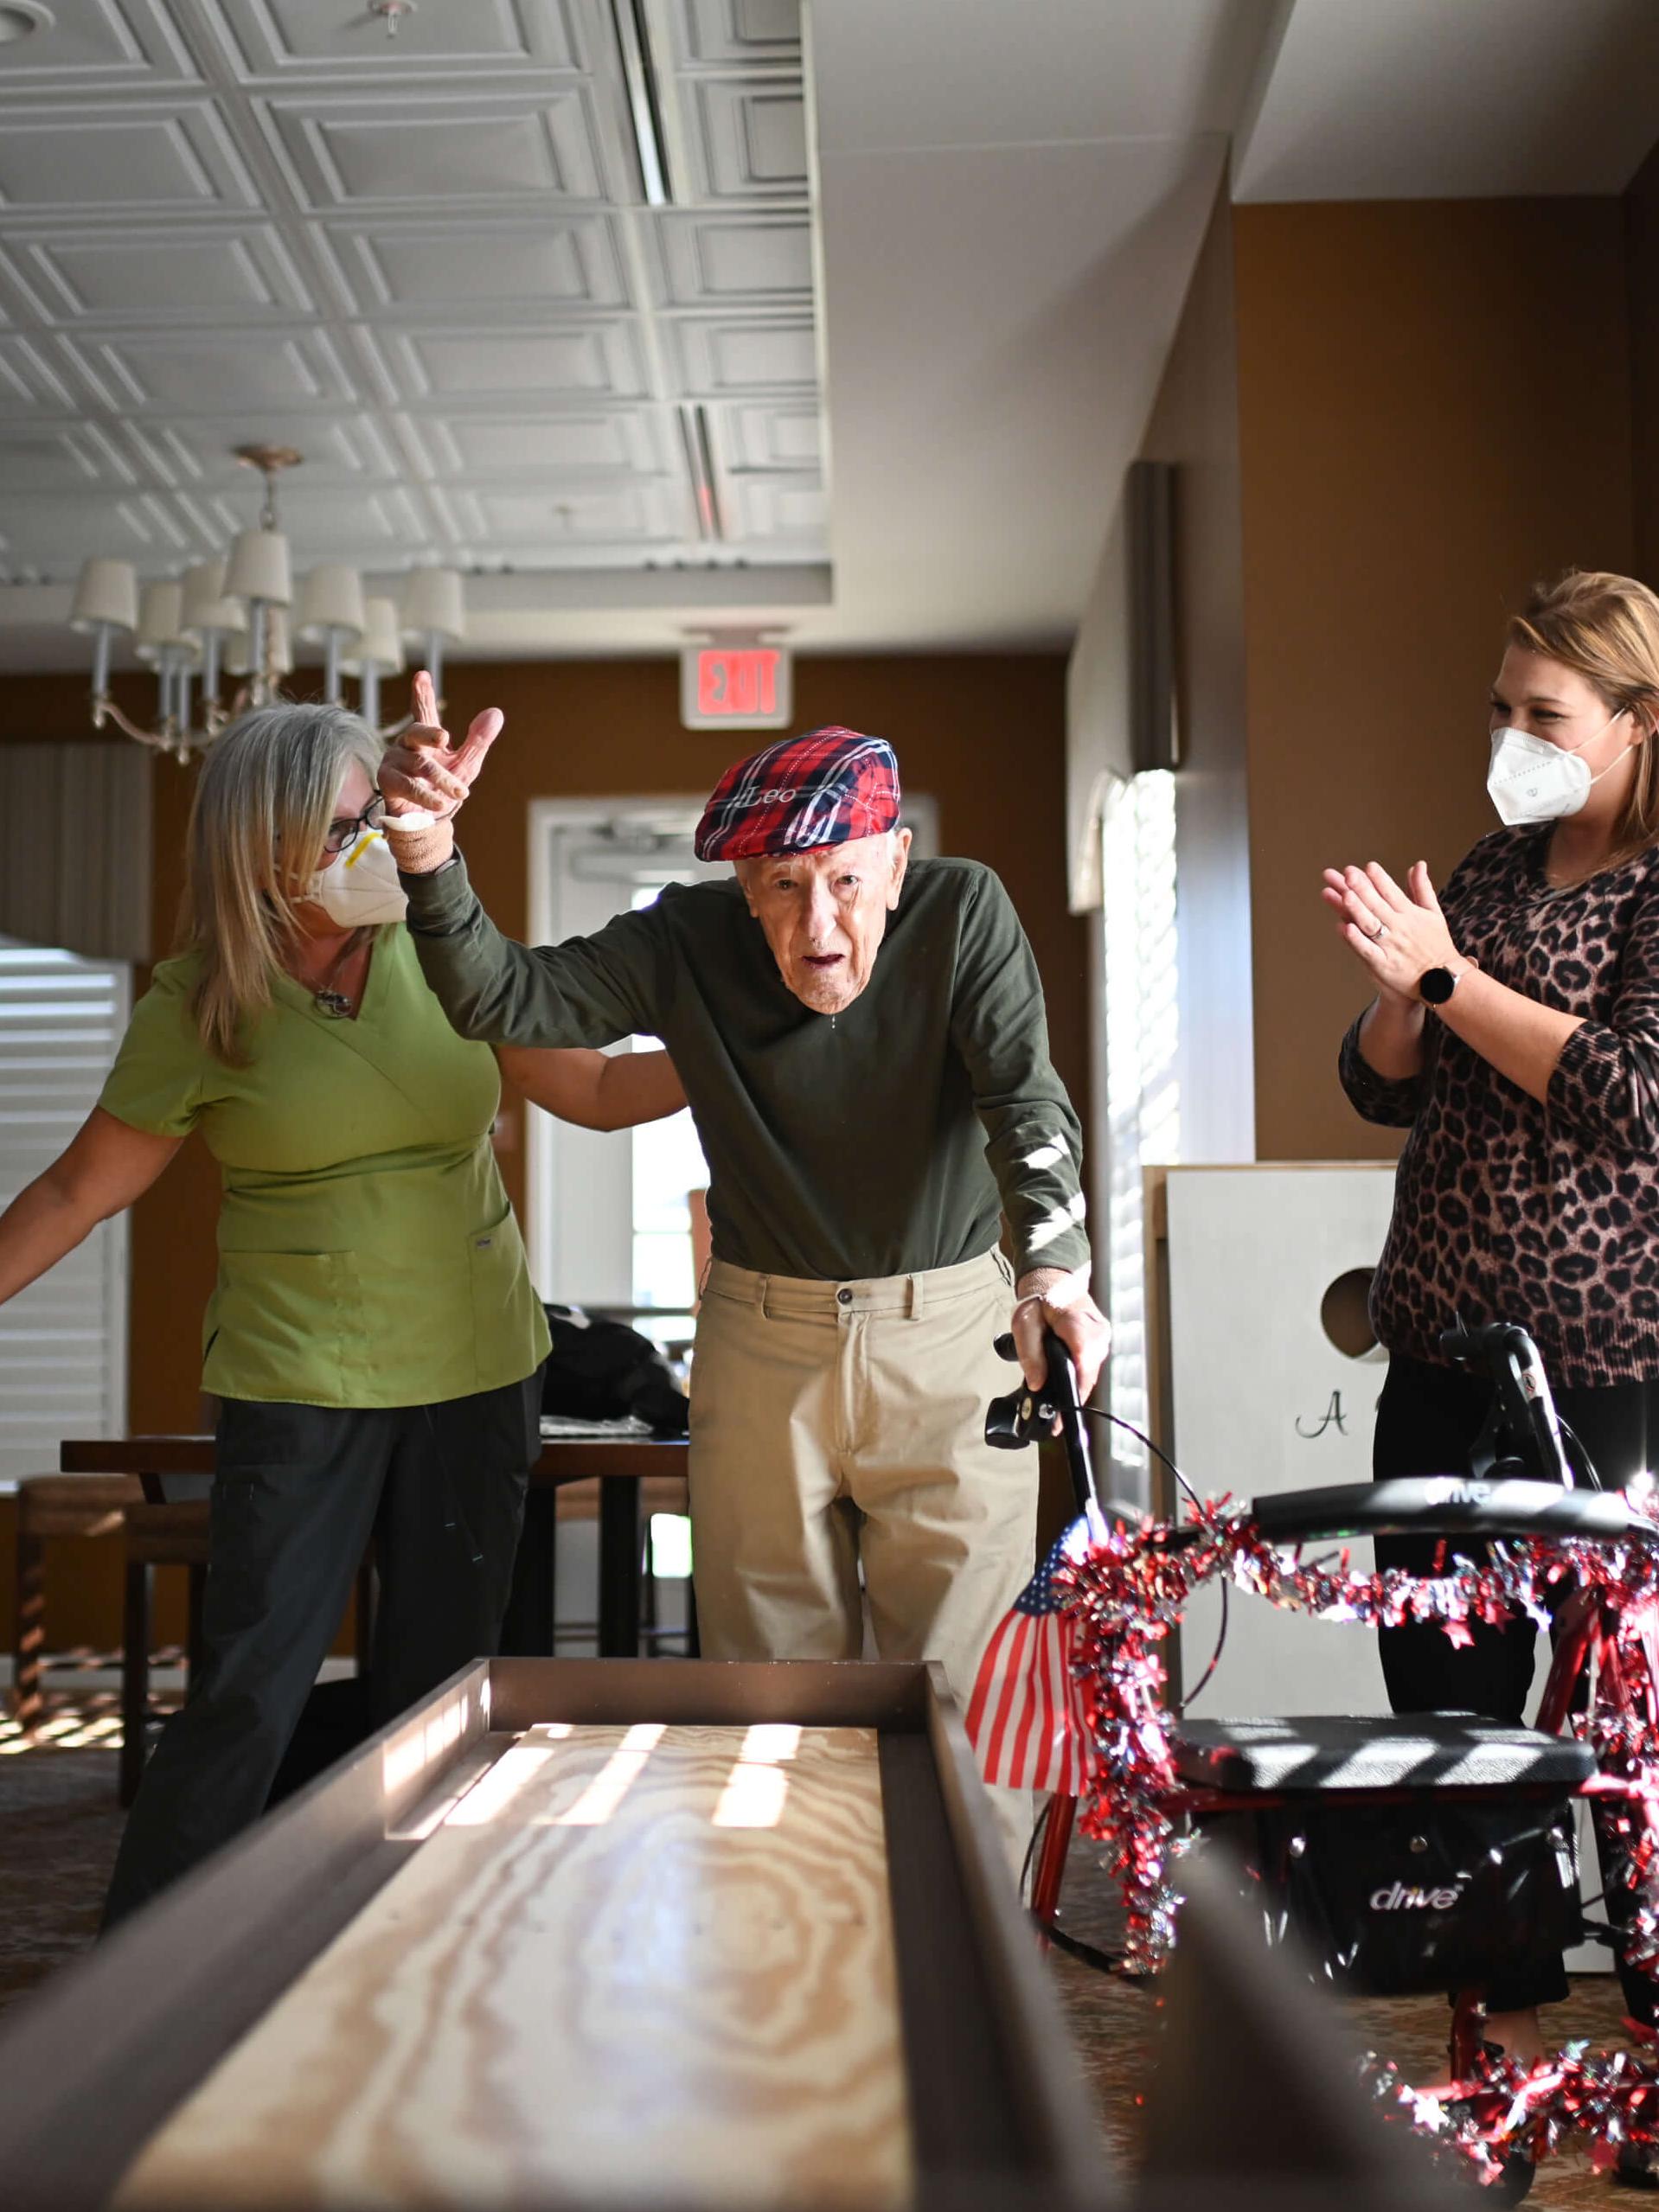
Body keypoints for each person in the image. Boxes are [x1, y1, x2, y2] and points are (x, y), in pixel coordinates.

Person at [0, 692, 682, 1924]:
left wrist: (748, 1049)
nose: (367, 848)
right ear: (256, 854)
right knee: (251, 1684)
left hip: (474, 1361)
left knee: (440, 1684)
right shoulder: (200, 1002)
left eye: (372, 819)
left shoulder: (441, 942)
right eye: (335, 831)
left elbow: (585, 1084)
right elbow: (74, 1188)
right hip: (295, 1372)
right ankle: (147, 1961)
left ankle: (421, 1939)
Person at [375, 713, 1109, 1820]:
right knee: (771, 1699)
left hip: (956, 1335)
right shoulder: (685, 939)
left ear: (897, 861)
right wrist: (426, 851)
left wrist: (1053, 1268)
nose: (819, 924)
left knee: (964, 1697)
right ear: (742, 883)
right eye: (782, 885)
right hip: (762, 1345)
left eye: (847, 882)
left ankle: (976, 1971)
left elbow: (1024, 1097)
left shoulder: (964, 913)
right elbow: (504, 998)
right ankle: (792, 1961)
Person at [1325, 569, 1659, 2087]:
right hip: (1437, 1352)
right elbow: (1387, 1082)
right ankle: (1501, 2041)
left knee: (1615, 1721)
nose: (1510, 738)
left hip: (1599, 1371)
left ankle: (1648, 2037)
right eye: (1498, 709)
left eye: (1543, 713)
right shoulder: (1487, 861)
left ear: (1633, 724)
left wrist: (1445, 979)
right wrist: (1397, 997)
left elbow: (1629, 1097)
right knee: (1449, 1721)